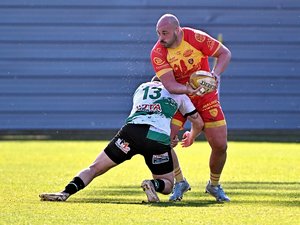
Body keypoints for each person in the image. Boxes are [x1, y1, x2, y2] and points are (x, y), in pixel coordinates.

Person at [39, 78, 203, 203]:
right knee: (167, 184)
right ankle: (153, 185)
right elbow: (198, 122)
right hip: (157, 137)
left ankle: (65, 192)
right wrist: (192, 135)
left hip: (130, 133)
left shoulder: (141, 88)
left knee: (95, 167)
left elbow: (149, 109)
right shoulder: (179, 93)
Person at [150, 14, 232, 202]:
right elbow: (170, 85)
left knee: (220, 145)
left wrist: (216, 74)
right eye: (158, 33)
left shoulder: (195, 37)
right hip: (178, 98)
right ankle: (180, 182)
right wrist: (189, 89)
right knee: (163, 141)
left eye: (164, 33)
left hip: (206, 97)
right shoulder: (157, 52)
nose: (160, 38)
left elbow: (224, 53)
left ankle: (214, 185)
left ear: (177, 30)